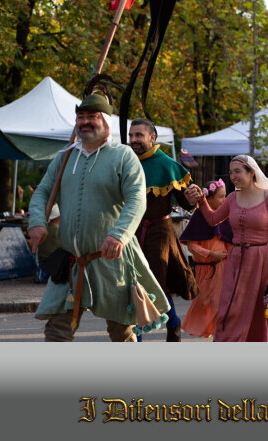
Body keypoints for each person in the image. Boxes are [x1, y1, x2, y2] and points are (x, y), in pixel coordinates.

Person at [28, 94, 169, 342]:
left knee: (121, 331)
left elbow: (137, 200)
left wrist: (118, 235)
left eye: (92, 117)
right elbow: (42, 192)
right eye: (81, 117)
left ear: (105, 122)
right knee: (57, 330)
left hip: (111, 259)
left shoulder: (123, 156)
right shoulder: (65, 157)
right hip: (71, 262)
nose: (85, 122)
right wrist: (37, 222)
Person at [185, 155, 268, 342]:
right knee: (231, 304)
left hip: (263, 259)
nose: (233, 176)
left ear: (251, 172)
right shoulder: (233, 197)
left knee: (263, 306)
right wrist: (202, 200)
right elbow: (212, 219)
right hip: (236, 258)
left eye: (237, 171)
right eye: (231, 172)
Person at [128, 118, 199, 342]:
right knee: (132, 286)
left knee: (156, 285)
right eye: (131, 135)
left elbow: (186, 203)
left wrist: (192, 198)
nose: (133, 140)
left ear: (152, 137)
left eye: (139, 135)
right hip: (130, 233)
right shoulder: (125, 162)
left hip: (160, 232)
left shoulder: (167, 164)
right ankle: (135, 340)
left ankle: (173, 320)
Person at [179, 179, 232, 339]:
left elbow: (229, 241)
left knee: (219, 301)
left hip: (223, 267)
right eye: (221, 197)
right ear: (208, 199)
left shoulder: (225, 216)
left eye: (225, 196)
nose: (224, 200)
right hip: (205, 268)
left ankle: (219, 334)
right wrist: (210, 254)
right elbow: (192, 246)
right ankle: (208, 329)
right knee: (202, 302)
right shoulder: (199, 217)